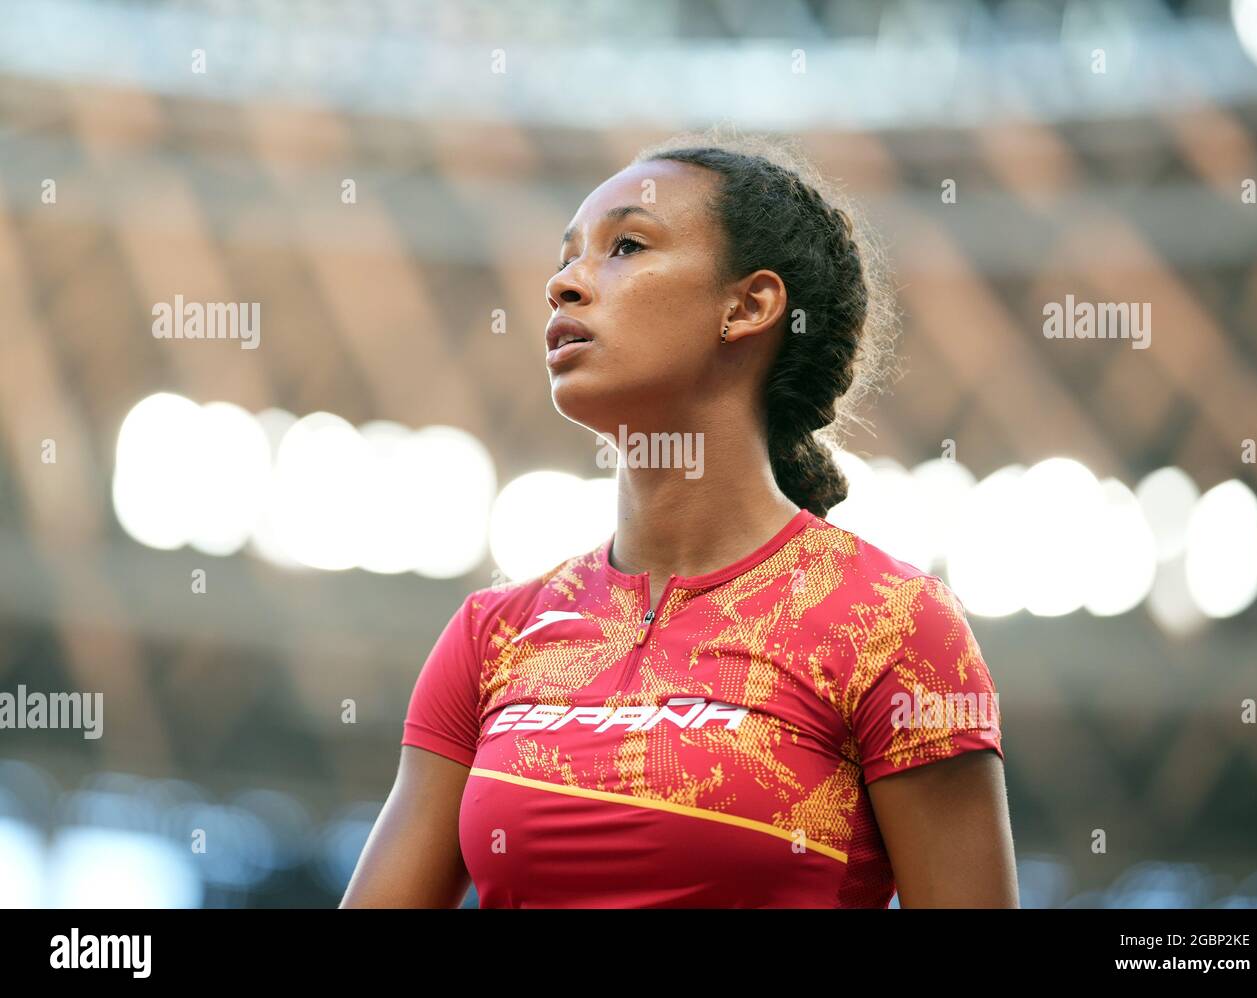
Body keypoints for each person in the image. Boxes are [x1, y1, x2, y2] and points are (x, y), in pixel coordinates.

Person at [341, 130, 1018, 908]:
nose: (564, 284)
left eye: (625, 246)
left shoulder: (894, 625)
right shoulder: (491, 635)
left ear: (750, 305)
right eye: (567, 258)